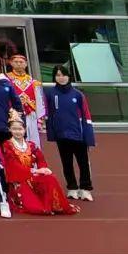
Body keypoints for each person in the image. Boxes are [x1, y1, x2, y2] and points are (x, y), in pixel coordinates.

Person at [2, 116, 79, 215]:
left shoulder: (31, 145)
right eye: (14, 129)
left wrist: (44, 169)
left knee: (50, 178)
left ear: (24, 129)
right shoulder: (7, 145)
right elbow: (13, 165)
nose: (17, 132)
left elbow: (40, 160)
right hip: (19, 180)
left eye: (20, 129)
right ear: (9, 129)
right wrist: (34, 171)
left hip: (31, 176)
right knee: (37, 208)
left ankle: (55, 205)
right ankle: (45, 206)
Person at [45, 65, 96, 201]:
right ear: (54, 77)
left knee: (83, 163)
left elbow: (86, 115)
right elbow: (49, 115)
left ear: (69, 77)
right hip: (62, 135)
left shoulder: (78, 94)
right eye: (58, 75)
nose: (61, 78)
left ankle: (85, 188)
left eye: (63, 75)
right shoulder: (50, 94)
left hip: (78, 135)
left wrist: (88, 136)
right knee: (66, 163)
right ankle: (72, 187)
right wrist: (52, 133)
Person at [7, 53, 46, 147]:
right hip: (14, 115)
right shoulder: (6, 80)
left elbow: (39, 101)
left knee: (33, 140)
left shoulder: (33, 82)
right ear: (11, 63)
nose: (19, 64)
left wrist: (40, 118)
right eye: (16, 62)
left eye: (21, 62)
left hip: (31, 114)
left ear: (26, 64)